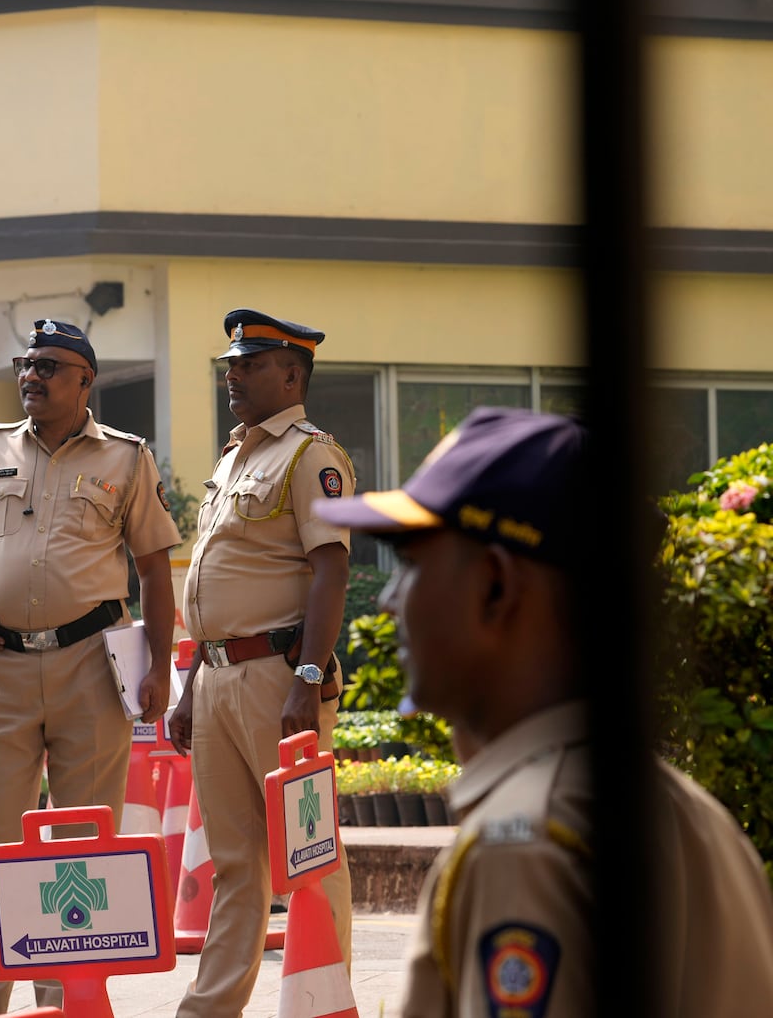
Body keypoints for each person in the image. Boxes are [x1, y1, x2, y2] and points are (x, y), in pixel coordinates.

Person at [317, 407, 773, 1017]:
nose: (393, 602)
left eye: (414, 563)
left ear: (496, 588)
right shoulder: (697, 818)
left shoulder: (523, 844)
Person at [0, 319, 181, 1017]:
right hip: (0, 664)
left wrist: (158, 666)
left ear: (85, 381)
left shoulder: (127, 458)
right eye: (25, 362)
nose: (31, 375)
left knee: (81, 840)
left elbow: (155, 572)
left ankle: (70, 1000)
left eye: (48, 365)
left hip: (90, 665)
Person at [167, 308, 355, 1018]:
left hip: (280, 674)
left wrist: (308, 677)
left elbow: (329, 570)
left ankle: (325, 1001)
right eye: (230, 365)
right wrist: (189, 687)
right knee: (237, 863)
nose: (232, 375)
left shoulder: (314, 456)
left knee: (310, 854)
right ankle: (209, 1008)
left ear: (291, 373)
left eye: (247, 365)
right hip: (215, 678)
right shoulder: (235, 454)